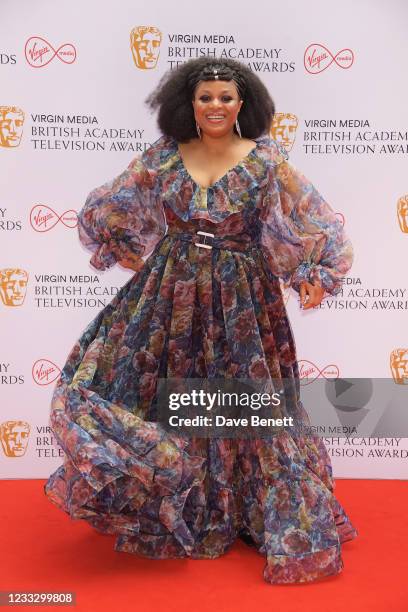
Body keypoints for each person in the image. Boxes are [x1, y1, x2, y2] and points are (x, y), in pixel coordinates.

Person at [44, 57, 358, 585]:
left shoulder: (266, 162)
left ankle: (249, 508)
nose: (215, 106)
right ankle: (180, 502)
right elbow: (110, 204)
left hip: (243, 299)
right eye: (206, 97)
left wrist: (313, 272)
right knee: (154, 389)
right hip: (172, 291)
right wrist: (119, 244)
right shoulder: (165, 157)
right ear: (189, 104)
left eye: (225, 98)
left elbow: (314, 219)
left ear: (243, 105)